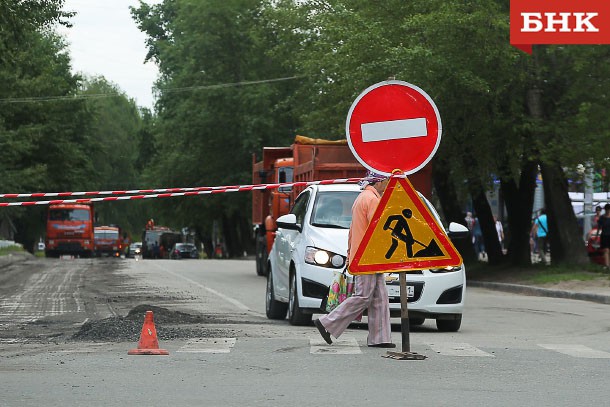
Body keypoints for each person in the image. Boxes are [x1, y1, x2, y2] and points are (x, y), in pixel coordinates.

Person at [314, 170, 395, 348]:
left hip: (366, 256)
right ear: (378, 182)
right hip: (368, 256)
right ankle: (327, 322)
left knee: (379, 297)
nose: (388, 184)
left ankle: (380, 338)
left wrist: (351, 254)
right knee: (364, 296)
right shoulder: (372, 200)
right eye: (386, 180)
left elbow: (353, 231)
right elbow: (379, 230)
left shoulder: (363, 198)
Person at [596, 204, 610, 269]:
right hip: (604, 236)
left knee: (608, 251)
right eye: (607, 209)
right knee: (606, 250)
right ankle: (607, 265)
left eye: (609, 209)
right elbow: (599, 227)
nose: (608, 211)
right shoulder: (602, 218)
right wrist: (596, 237)